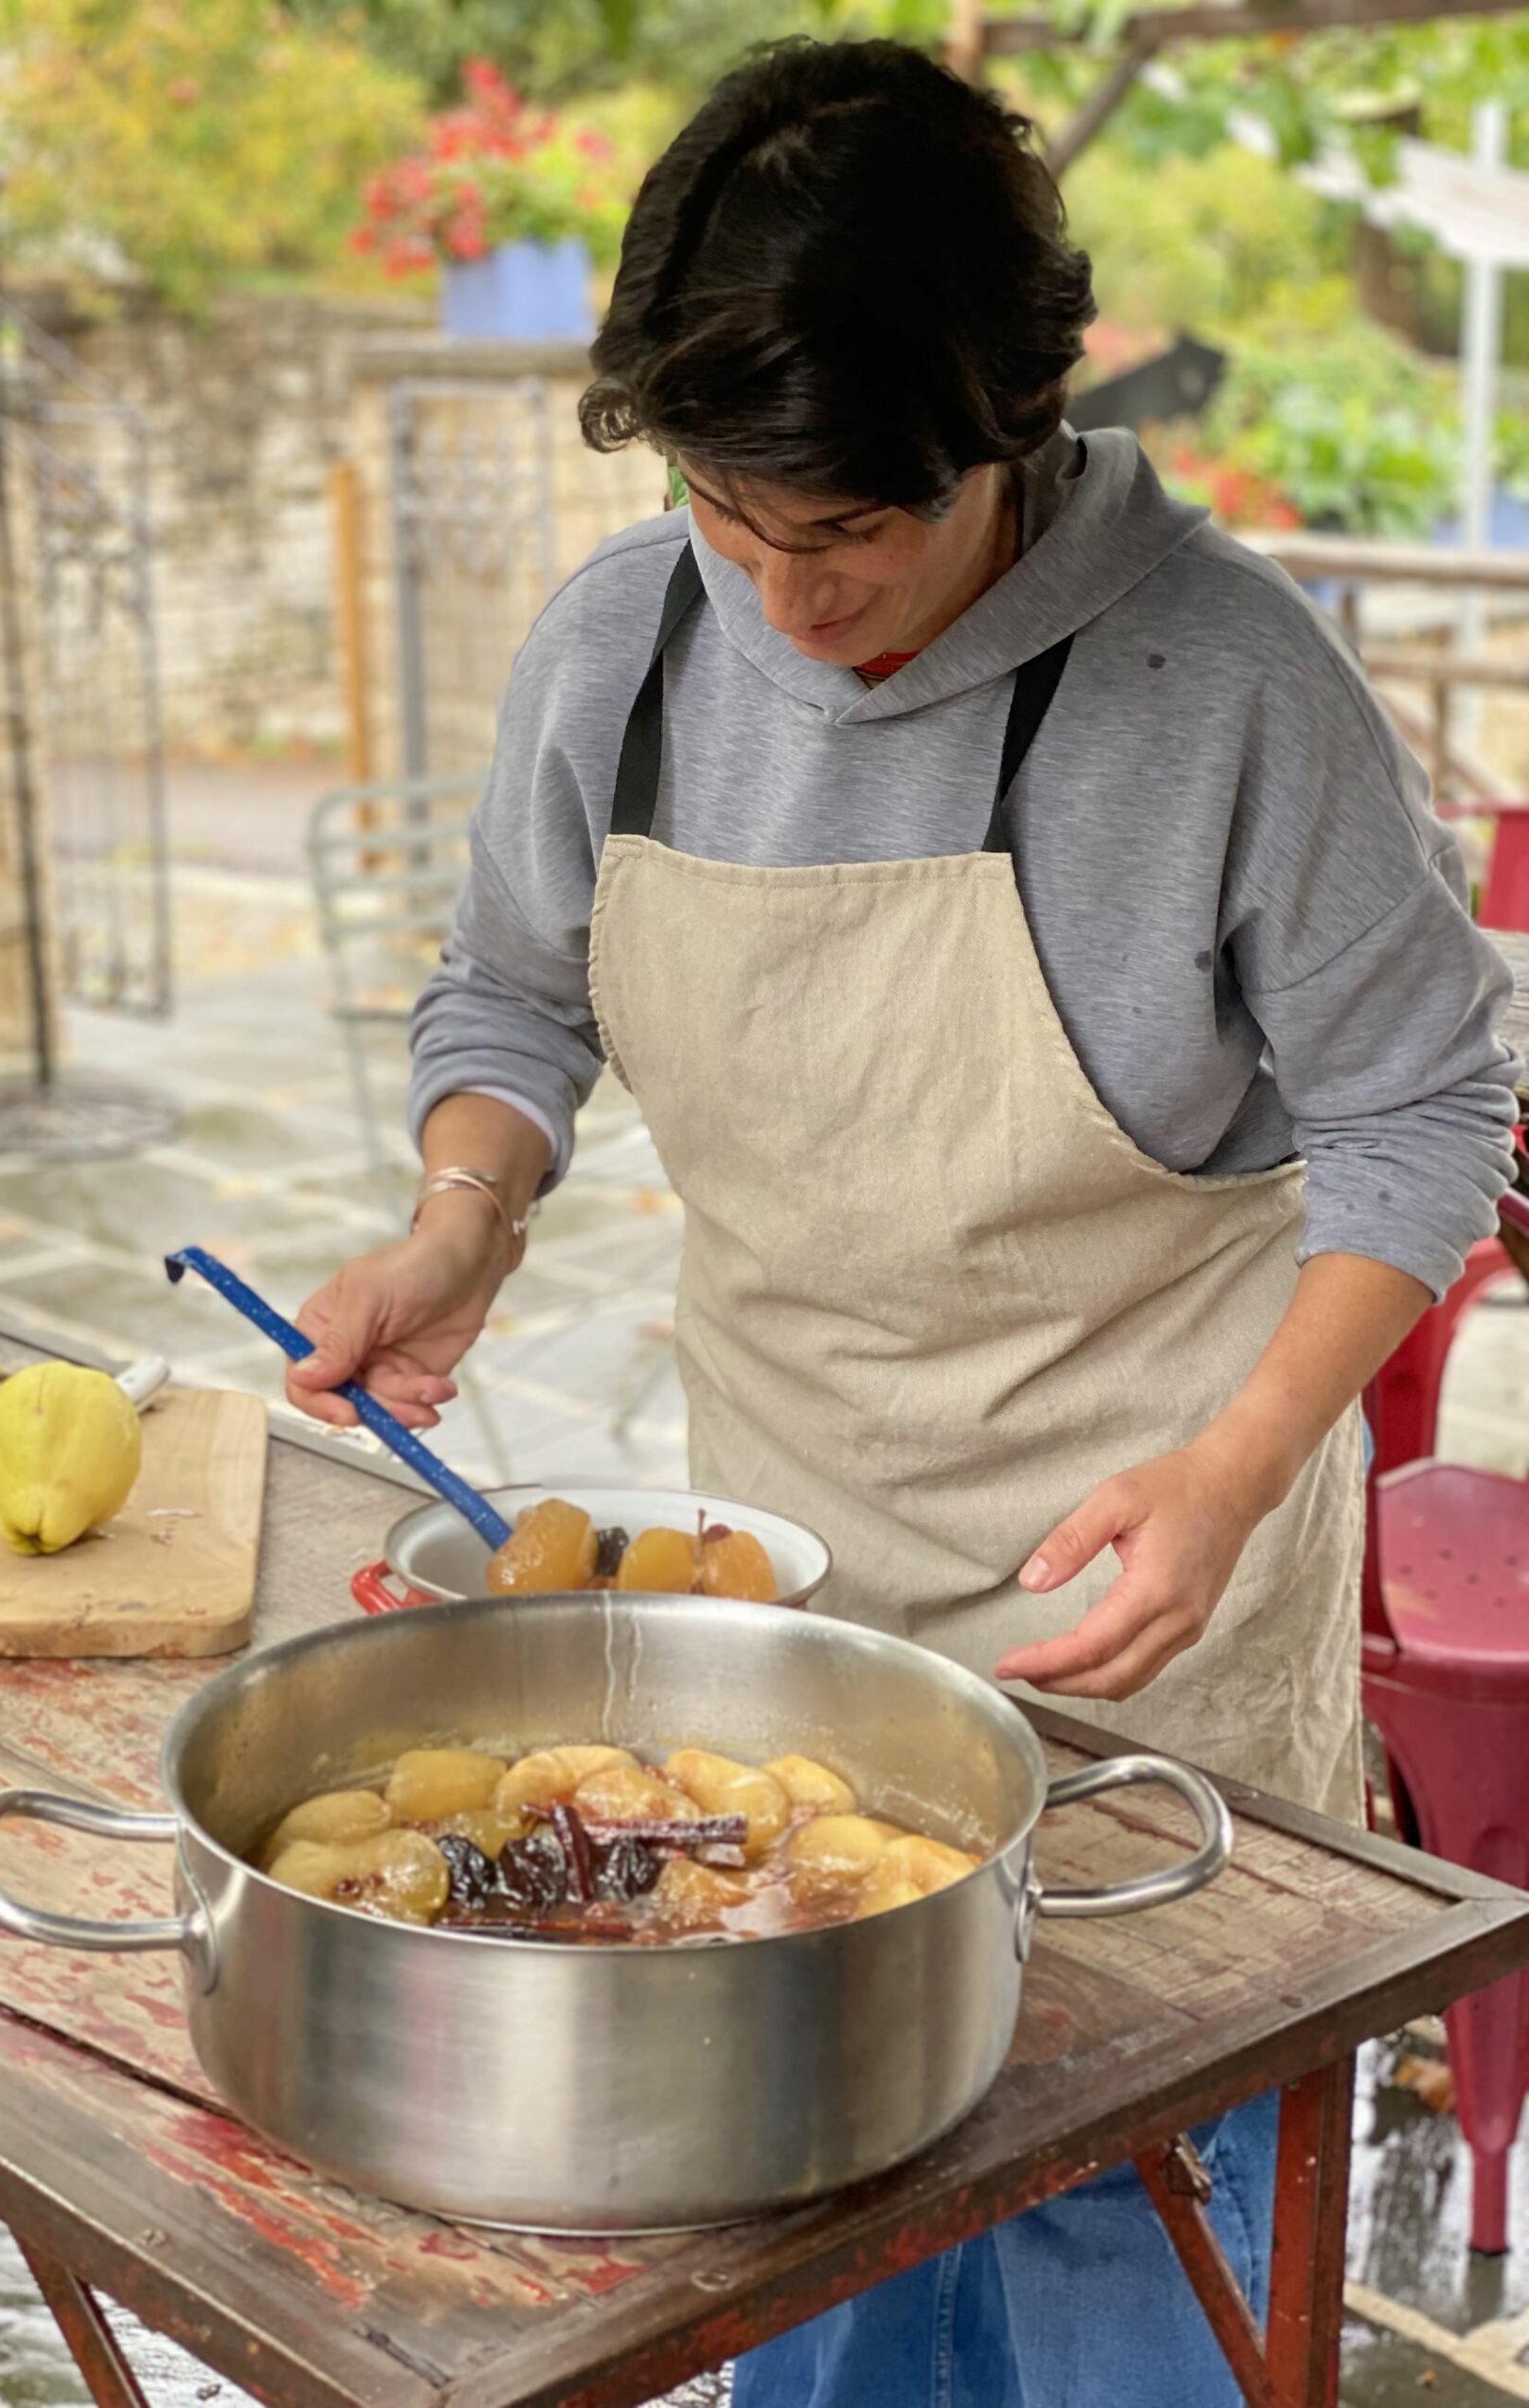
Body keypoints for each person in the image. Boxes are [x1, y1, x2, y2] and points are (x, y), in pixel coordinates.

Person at [287, 39, 1517, 2404]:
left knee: (1125, 2250)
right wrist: (462, 1215)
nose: (781, 598)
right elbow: (513, 991)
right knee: (813, 2276)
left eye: (845, 530)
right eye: (726, 518)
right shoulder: (624, 647)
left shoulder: (1231, 688)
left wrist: (1243, 1460)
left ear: (1008, 424)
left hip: (1138, 1624)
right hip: (777, 1624)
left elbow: (1423, 1110)